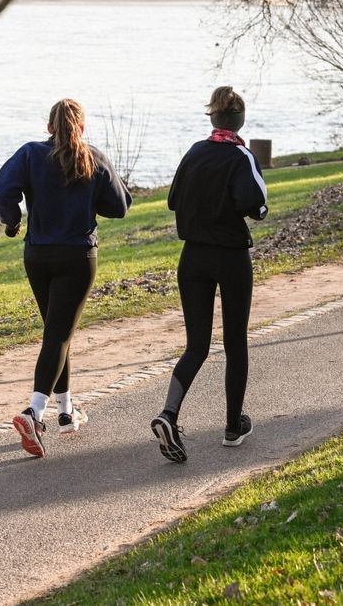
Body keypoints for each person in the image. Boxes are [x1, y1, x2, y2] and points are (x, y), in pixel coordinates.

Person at [0, 98, 132, 458]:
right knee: (58, 335)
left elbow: (4, 191)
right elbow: (119, 206)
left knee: (58, 333)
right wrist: (87, 198)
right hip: (77, 255)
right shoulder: (94, 158)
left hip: (37, 255)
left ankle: (67, 413)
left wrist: (12, 220)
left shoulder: (29, 155)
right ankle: (34, 413)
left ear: (49, 127)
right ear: (81, 127)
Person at [150, 86, 269, 463]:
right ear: (239, 120)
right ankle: (233, 426)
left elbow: (172, 200)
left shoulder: (194, 153)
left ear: (213, 118)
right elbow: (256, 205)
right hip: (231, 257)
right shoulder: (241, 156)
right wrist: (254, 211)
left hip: (192, 259)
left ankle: (168, 414)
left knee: (196, 345)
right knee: (235, 342)